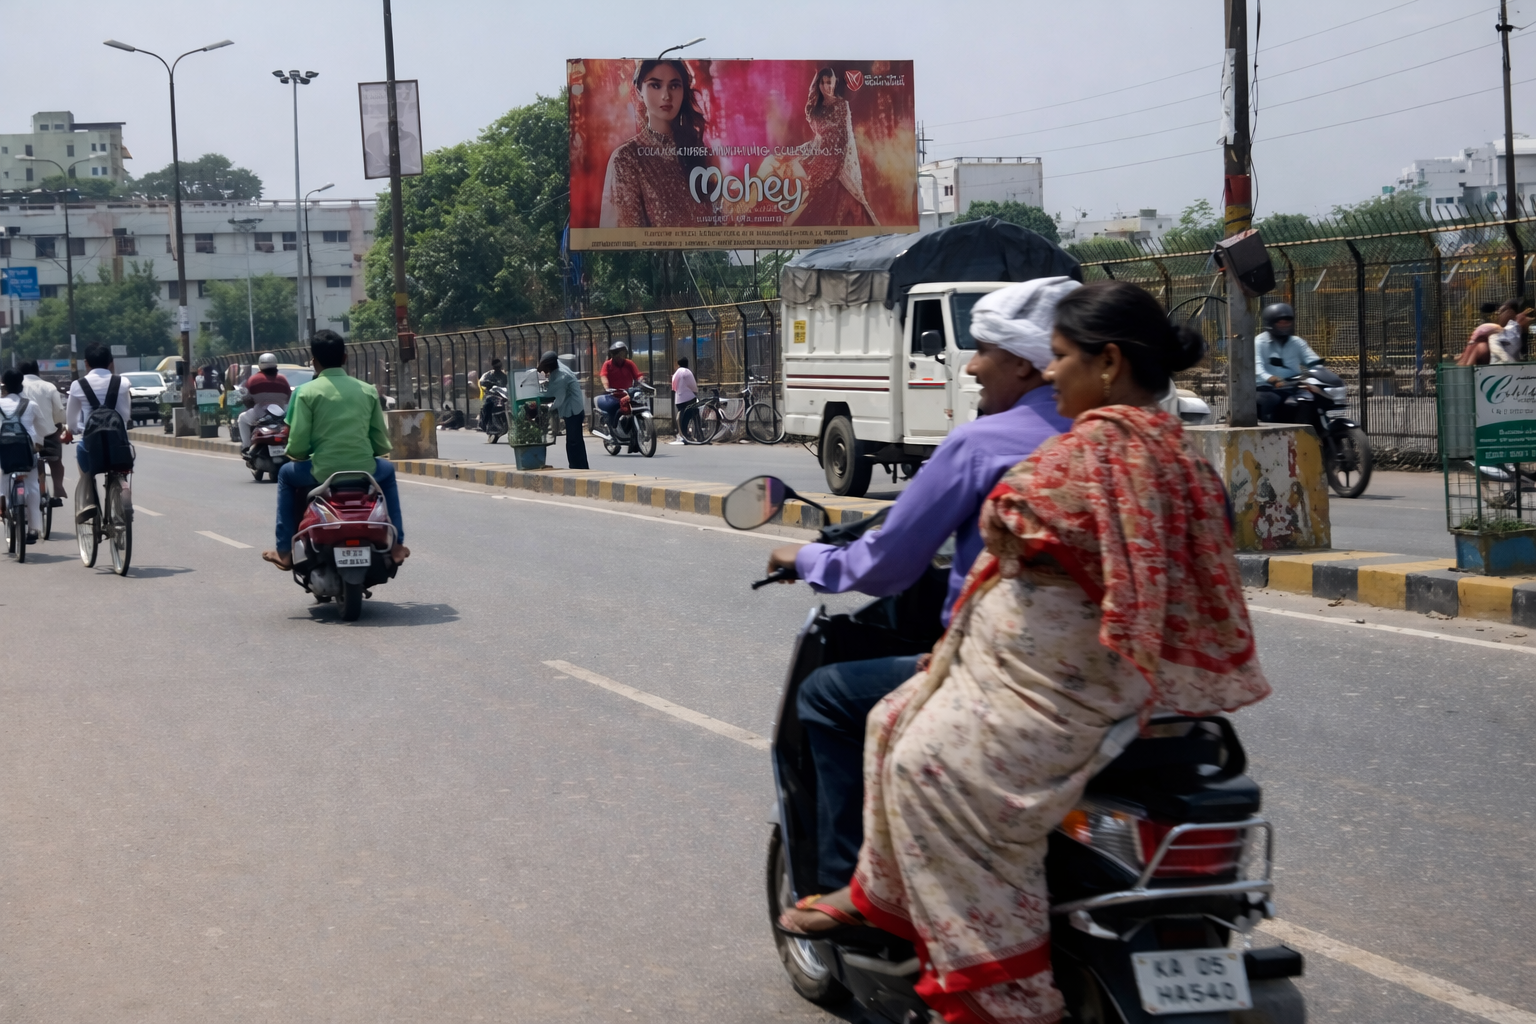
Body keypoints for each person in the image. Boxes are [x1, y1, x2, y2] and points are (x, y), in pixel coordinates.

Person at [780, 281, 1271, 1024]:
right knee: (887, 721)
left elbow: (898, 561)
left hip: (1056, 685)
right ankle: (880, 897)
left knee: (922, 765)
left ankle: (995, 989)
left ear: (1107, 364)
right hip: (1135, 685)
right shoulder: (1178, 455)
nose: (1050, 372)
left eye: (1061, 359)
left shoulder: (1083, 456)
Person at [767, 276, 1079, 893]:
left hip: (1012, 669)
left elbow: (889, 563)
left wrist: (810, 560)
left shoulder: (984, 445)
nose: (972, 365)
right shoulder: (1135, 447)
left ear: (1027, 362)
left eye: (984, 349)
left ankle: (849, 890)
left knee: (829, 696)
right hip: (1125, 682)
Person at [261, 331, 408, 570]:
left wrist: (301, 453)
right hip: (366, 470)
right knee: (388, 472)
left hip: (320, 472)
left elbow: (297, 448)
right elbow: (380, 444)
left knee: (286, 475)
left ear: (313, 361)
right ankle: (397, 544)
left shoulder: (305, 392)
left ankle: (285, 551)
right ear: (346, 358)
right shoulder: (367, 390)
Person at [599, 59, 712, 228]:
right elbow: (624, 239)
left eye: (674, 86)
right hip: (650, 255)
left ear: (683, 91)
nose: (666, 96)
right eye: (655, 85)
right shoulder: (626, 159)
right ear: (639, 91)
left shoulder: (698, 154)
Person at [793, 67, 878, 227]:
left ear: (835, 83)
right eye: (823, 83)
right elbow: (811, 117)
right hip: (818, 164)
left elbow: (843, 140)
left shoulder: (841, 105)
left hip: (838, 170)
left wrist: (831, 171)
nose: (827, 87)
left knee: (845, 214)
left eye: (829, 82)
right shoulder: (816, 109)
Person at [65, 344, 133, 501]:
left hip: (91, 445)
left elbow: (72, 423)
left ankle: (89, 496)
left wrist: (77, 430)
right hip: (118, 444)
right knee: (121, 462)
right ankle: (122, 485)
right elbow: (125, 415)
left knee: (82, 453)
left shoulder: (78, 385)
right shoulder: (122, 383)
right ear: (110, 362)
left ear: (86, 363)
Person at [0, 368, 52, 543]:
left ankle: (5, 507)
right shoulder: (30, 405)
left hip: (4, 453)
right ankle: (34, 528)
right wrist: (38, 441)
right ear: (21, 384)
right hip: (27, 452)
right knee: (32, 486)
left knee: (3, 479)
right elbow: (44, 429)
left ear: (4, 385)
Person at [1254, 302, 1325, 422]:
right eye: (1280, 322)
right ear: (1270, 323)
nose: (1284, 325)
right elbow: (1257, 368)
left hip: (1293, 386)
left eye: (1287, 322)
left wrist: (1322, 373)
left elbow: (1313, 362)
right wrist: (1272, 379)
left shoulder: (1297, 342)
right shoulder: (1259, 342)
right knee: (1273, 401)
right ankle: (1272, 435)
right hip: (1266, 388)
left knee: (1314, 401)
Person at [20, 360, 68, 506]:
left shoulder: (16, 387)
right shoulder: (49, 386)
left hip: (23, 437)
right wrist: (60, 426)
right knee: (56, 461)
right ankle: (58, 487)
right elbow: (59, 411)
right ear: (37, 371)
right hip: (48, 434)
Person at [538, 351, 589, 470]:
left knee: (573, 442)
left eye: (545, 369)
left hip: (573, 411)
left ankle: (576, 466)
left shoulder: (561, 377)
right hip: (574, 409)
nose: (544, 372)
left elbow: (557, 400)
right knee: (577, 441)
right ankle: (581, 466)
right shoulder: (558, 366)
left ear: (550, 366)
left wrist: (544, 408)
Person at [238, 354, 293, 449]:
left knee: (242, 418)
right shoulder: (283, 379)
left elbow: (246, 397)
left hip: (259, 414)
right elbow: (289, 398)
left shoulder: (253, 379)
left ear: (260, 365)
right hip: (280, 415)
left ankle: (246, 446)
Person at [595, 342, 643, 448]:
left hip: (628, 394)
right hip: (613, 394)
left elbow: (637, 375)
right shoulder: (607, 364)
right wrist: (607, 387)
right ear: (614, 354)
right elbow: (604, 376)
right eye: (619, 353)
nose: (621, 356)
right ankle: (614, 431)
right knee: (613, 409)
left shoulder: (629, 363)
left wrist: (641, 381)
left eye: (623, 353)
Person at [1491, 299, 1532, 363]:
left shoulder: (1514, 333)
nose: (1499, 316)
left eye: (1502, 311)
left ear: (1510, 312)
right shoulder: (1497, 332)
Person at [671, 356, 699, 442]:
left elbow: (674, 387)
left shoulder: (676, 373)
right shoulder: (687, 372)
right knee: (693, 414)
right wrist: (695, 391)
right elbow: (693, 386)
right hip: (688, 398)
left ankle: (683, 434)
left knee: (682, 416)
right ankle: (696, 433)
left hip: (678, 399)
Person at [477, 359, 508, 433]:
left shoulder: (504, 376)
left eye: (499, 366)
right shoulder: (488, 374)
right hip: (491, 395)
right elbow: (482, 381)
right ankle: (484, 422)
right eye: (496, 366)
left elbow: (508, 384)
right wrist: (488, 383)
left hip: (502, 395)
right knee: (488, 405)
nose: (498, 368)